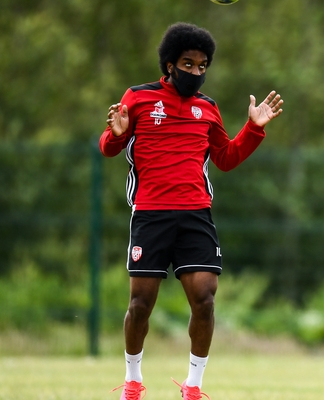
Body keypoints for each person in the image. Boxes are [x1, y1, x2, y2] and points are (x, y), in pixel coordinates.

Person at [100, 22, 284, 400]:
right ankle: (133, 380)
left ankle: (194, 387)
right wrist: (116, 134)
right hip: (150, 214)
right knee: (140, 304)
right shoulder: (138, 98)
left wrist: (253, 129)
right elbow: (108, 147)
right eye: (188, 64)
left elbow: (226, 158)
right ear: (169, 65)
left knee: (205, 298)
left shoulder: (208, 108)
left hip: (196, 214)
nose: (195, 73)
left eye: (202, 66)